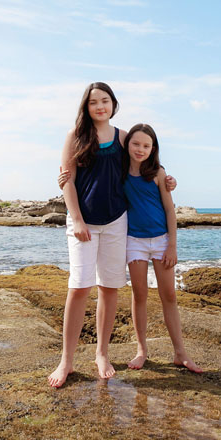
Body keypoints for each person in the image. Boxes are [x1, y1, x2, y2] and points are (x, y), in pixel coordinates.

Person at [48, 83, 175, 388]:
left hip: (117, 222)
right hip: (84, 224)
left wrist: (167, 179)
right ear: (86, 106)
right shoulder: (75, 136)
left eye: (105, 101)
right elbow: (67, 181)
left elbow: (144, 162)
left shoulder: (122, 137)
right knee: (79, 287)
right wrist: (77, 220)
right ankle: (66, 361)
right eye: (94, 102)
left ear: (113, 104)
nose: (100, 106)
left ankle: (101, 354)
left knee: (109, 287)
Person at [122, 123, 202, 374]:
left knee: (169, 295)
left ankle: (180, 353)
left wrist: (172, 246)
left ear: (153, 148)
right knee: (140, 294)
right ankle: (141, 350)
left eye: (146, 145)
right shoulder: (119, 171)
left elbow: (169, 210)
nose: (140, 149)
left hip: (161, 241)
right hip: (134, 241)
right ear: (127, 144)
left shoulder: (158, 173)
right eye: (136, 143)